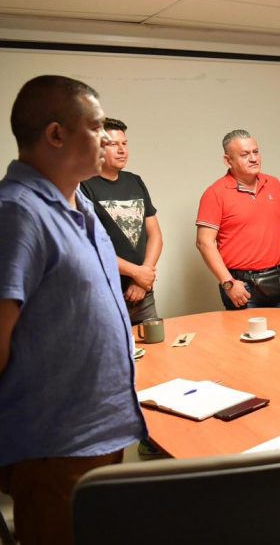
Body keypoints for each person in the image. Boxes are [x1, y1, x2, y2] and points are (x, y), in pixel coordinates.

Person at [0, 75, 146, 545]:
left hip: (97, 434)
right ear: (56, 134)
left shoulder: (78, 202)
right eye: (97, 125)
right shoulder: (17, 213)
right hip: (53, 445)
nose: (107, 137)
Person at [196, 129, 280, 310]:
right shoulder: (215, 193)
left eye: (256, 152)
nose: (253, 158)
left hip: (279, 282)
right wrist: (228, 283)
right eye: (245, 154)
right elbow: (204, 242)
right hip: (242, 288)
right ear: (228, 161)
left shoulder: (274, 184)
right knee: (247, 338)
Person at [81, 118, 163, 325]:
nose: (121, 150)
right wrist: (139, 273)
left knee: (155, 351)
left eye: (124, 144)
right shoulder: (82, 187)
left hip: (143, 293)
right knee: (113, 356)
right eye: (112, 144)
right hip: (105, 294)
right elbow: (89, 246)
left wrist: (142, 279)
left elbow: (155, 235)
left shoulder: (134, 181)